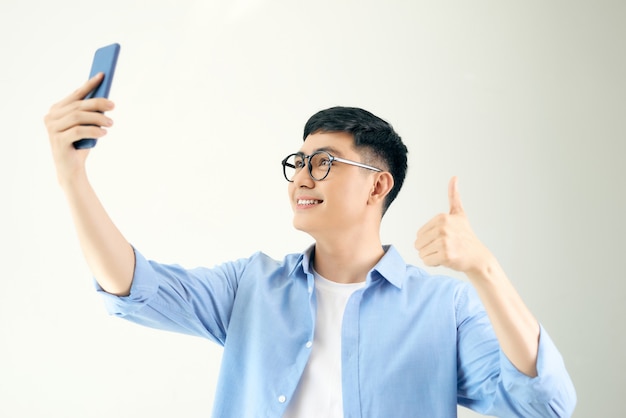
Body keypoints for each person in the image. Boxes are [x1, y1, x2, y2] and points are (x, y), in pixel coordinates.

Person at [44, 73, 576, 418]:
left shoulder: (444, 309)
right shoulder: (249, 287)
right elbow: (133, 288)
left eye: (323, 162)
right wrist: (72, 178)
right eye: (298, 163)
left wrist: (483, 268)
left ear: (377, 185)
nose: (302, 177)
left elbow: (546, 404)